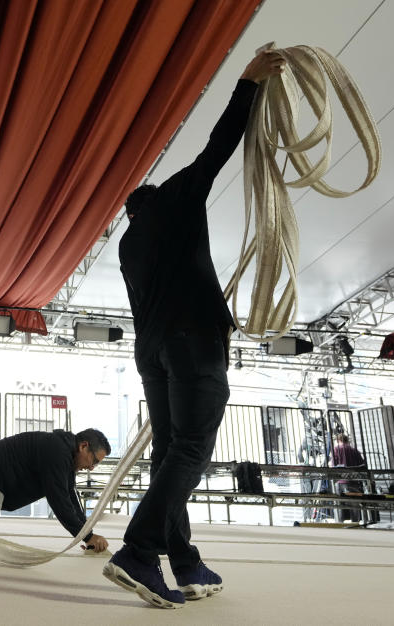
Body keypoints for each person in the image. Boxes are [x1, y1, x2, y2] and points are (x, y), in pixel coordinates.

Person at [102, 50, 286, 610]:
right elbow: (217, 149)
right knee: (191, 449)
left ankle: (182, 560)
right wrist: (248, 85)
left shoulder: (129, 244)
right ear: (156, 196)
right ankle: (139, 550)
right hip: (193, 344)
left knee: (170, 453)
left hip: (152, 352)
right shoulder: (174, 203)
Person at [331, 433, 367, 522]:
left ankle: (340, 524)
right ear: (347, 440)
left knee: (339, 506)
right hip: (353, 482)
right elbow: (362, 465)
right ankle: (356, 524)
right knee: (355, 506)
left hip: (340, 482)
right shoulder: (354, 450)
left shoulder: (336, 449)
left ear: (338, 441)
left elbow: (333, 466)